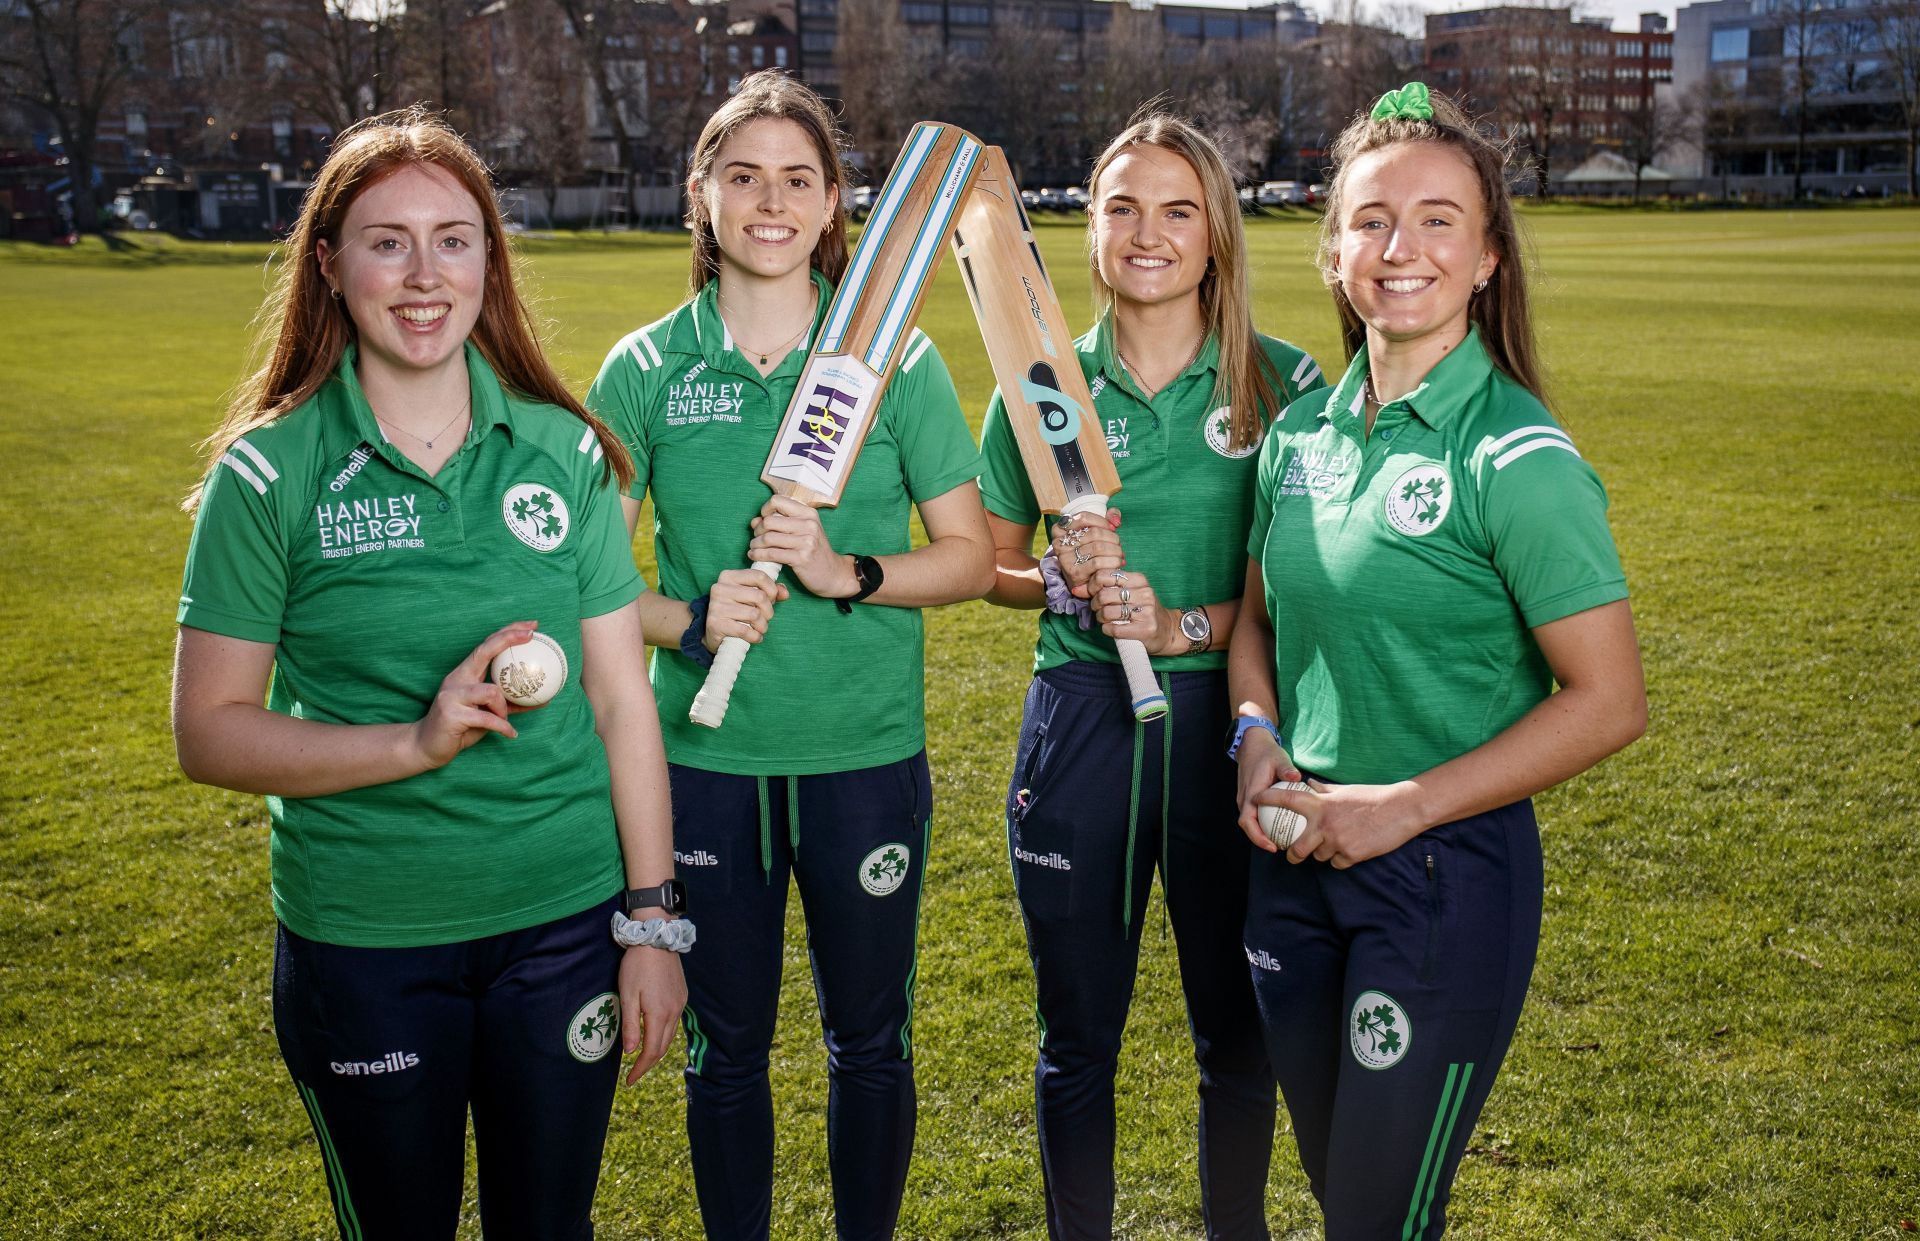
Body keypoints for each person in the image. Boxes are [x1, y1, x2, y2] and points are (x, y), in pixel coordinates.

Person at [171, 108, 686, 1240]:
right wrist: (413, 741)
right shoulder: (269, 474)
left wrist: (652, 921)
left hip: (564, 927)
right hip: (366, 937)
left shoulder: (563, 448)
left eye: (454, 239)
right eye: (385, 239)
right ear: (328, 261)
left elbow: (618, 701)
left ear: (489, 262)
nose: (423, 273)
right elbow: (210, 730)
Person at [1230, 83, 1648, 1240]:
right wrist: (1253, 733)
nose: (1398, 247)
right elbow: (1256, 624)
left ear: (1487, 259)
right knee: (1346, 1192)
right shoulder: (1300, 437)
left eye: (1437, 219)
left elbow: (1611, 699)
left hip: (1444, 876)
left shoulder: (1519, 456)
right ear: (1331, 250)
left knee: (1375, 1214)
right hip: (1293, 857)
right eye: (1370, 220)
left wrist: (1404, 807)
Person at [585, 71, 994, 1241]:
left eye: (798, 179)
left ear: (831, 208)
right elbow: (589, 595)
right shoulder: (644, 367)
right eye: (743, 176)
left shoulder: (897, 362)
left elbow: (967, 556)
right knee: (727, 1050)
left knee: (871, 1042)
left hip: (863, 758)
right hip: (702, 766)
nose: (771, 201)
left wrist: (846, 570)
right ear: (700, 199)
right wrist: (695, 618)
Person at [978, 113, 1328, 1241]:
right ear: (1088, 227)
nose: (1147, 232)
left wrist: (1178, 619)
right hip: (1082, 722)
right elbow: (987, 562)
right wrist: (1061, 579)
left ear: (1217, 232)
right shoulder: (1039, 385)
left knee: (1240, 1032)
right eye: (1121, 205)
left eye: (1179, 208)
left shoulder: (1285, 383)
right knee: (1078, 1032)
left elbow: (1303, 595)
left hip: (1235, 723)